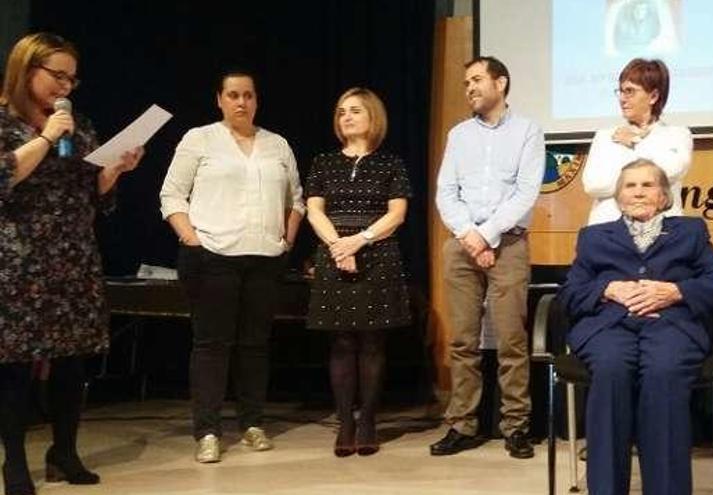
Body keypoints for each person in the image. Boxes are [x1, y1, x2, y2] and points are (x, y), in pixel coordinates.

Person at [0, 32, 143, 494]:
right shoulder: (5, 120)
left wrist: (114, 170)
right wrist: (45, 137)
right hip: (19, 260)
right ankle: (14, 463)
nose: (65, 86)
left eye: (71, 78)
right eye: (56, 75)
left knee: (71, 363)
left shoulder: (77, 124)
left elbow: (91, 194)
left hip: (74, 256)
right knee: (15, 365)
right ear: (27, 70)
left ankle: (64, 451)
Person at [560, 159, 713, 495]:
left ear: (663, 195)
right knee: (611, 368)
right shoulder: (594, 237)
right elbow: (570, 293)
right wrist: (606, 289)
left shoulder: (690, 231)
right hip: (609, 326)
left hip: (672, 324)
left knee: (665, 372)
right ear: (618, 197)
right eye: (630, 186)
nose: (638, 192)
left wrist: (677, 291)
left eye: (647, 185)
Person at [159, 70, 305, 463]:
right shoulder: (200, 139)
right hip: (213, 256)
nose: (241, 102)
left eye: (249, 95)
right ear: (219, 99)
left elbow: (297, 198)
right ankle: (207, 430)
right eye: (233, 95)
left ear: (257, 100)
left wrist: (286, 240)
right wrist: (191, 237)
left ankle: (252, 422)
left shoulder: (276, 144)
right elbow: (172, 193)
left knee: (255, 345)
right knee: (211, 345)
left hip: (264, 258)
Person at [432, 56, 545, 459]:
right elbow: (446, 192)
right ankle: (462, 424)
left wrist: (486, 234)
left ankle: (516, 426)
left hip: (508, 243)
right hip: (461, 244)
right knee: (463, 341)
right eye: (466, 83)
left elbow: (526, 191)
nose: (470, 88)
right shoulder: (459, 135)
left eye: (477, 80)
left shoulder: (528, 131)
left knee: (512, 340)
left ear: (501, 82)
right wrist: (469, 235)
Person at [305, 87, 412, 457]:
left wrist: (359, 241)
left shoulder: (391, 163)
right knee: (341, 343)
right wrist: (339, 245)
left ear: (373, 117)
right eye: (340, 112)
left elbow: (396, 215)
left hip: (377, 253)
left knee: (371, 343)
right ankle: (344, 422)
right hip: (334, 253)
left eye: (354, 111)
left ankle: (367, 420)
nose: (346, 117)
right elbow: (314, 210)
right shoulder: (322, 162)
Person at [582, 57, 692, 226]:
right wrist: (642, 180)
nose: (622, 99)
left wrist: (636, 143)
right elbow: (594, 185)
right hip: (609, 231)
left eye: (630, 91)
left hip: (663, 233)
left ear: (653, 96)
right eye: (621, 91)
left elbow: (666, 173)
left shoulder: (676, 134)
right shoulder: (605, 136)